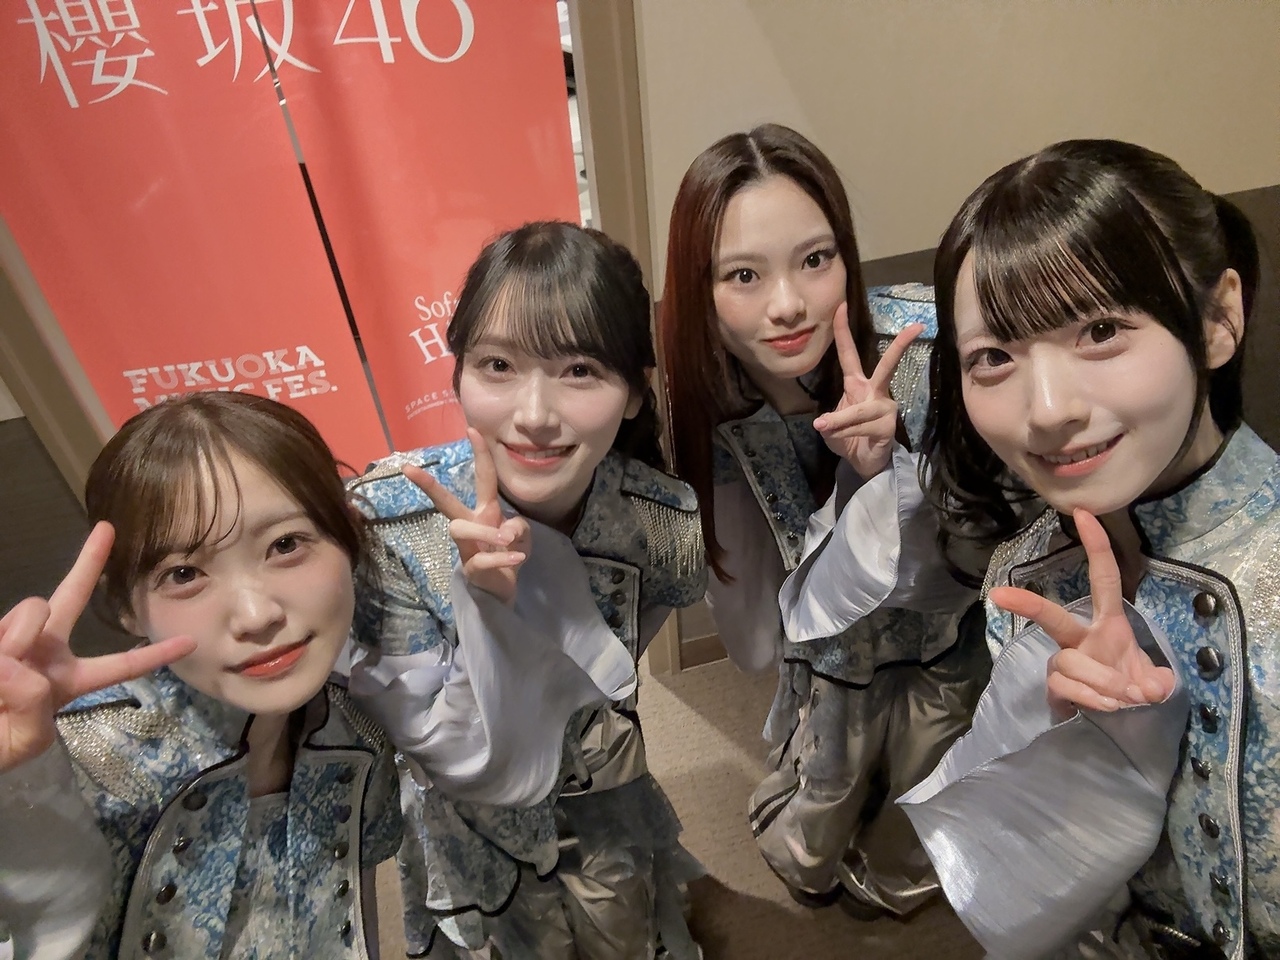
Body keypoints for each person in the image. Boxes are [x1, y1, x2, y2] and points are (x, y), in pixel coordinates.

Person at [889, 139, 1276, 960]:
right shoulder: (1025, 580)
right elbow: (1029, 900)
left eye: (1100, 329)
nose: (1047, 410)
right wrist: (1080, 762)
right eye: (994, 357)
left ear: (1218, 320)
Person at [348, 221, 708, 959]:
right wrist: (487, 615)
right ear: (458, 374)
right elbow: (433, 746)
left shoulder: (661, 520)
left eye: (579, 370)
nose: (535, 415)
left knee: (625, 931)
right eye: (498, 365)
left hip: (602, 787)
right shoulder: (391, 525)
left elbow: (625, 657)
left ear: (634, 393)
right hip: (468, 827)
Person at [657, 122, 989, 920]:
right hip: (825, 666)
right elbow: (754, 628)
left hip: (939, 643)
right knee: (826, 794)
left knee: (924, 789)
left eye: (815, 259)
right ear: (699, 288)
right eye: (743, 274)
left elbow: (982, 555)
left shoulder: (925, 356)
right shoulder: (706, 407)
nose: (788, 305)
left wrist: (885, 476)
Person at [0, 392, 404, 960]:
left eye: (286, 544)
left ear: (348, 540)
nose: (256, 616)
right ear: (127, 608)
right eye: (184, 573)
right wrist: (20, 782)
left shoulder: (360, 734)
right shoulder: (69, 757)